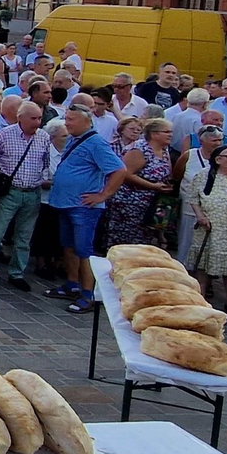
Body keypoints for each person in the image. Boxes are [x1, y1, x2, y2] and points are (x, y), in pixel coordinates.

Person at [47, 107, 128, 315]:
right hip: (66, 203)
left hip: (83, 207)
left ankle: (88, 293)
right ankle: (72, 283)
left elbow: (119, 170)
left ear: (87, 121)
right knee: (69, 246)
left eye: (72, 120)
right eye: (67, 119)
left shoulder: (97, 143)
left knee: (85, 250)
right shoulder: (75, 139)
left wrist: (103, 195)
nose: (68, 123)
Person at [0, 102, 57, 290]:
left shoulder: (44, 138)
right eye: (33, 118)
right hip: (10, 191)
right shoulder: (4, 134)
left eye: (39, 118)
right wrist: (0, 179)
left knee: (24, 236)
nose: (37, 122)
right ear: (20, 117)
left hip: (32, 193)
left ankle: (17, 273)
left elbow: (46, 162)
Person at [186, 144, 227, 309]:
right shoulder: (203, 175)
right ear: (218, 159)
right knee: (203, 262)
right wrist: (200, 216)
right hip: (209, 226)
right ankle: (199, 296)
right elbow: (193, 198)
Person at [104, 117, 176, 248]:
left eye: (171, 132)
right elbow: (125, 173)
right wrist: (153, 186)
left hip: (151, 205)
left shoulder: (164, 150)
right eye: (166, 132)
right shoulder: (140, 149)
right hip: (130, 203)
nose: (170, 135)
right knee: (127, 243)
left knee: (143, 243)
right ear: (154, 134)